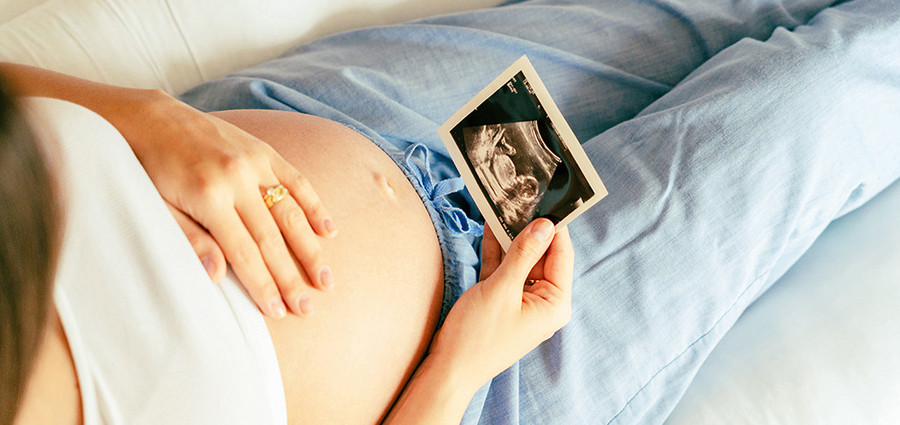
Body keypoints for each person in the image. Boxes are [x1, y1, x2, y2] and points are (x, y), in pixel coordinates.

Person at [2, 0, 899, 424]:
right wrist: (460, 363)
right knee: (826, 94)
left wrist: (147, 118)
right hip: (489, 366)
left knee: (729, 8)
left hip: (326, 113)